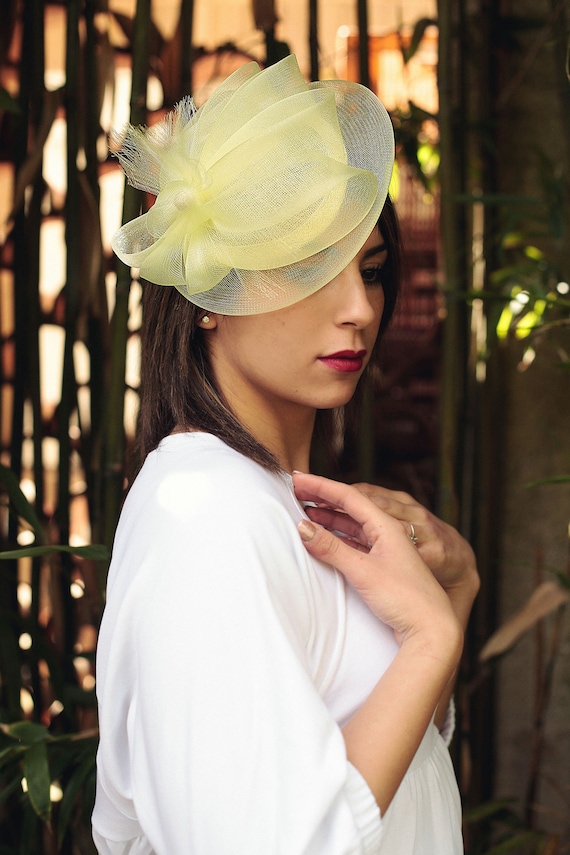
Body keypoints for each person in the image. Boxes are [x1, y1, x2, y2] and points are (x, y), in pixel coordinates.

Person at [92, 55, 479, 855]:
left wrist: (458, 589)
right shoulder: (203, 511)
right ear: (208, 295)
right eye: (308, 266)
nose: (359, 308)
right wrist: (431, 639)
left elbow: (396, 783)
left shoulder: (286, 505)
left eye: (370, 269)